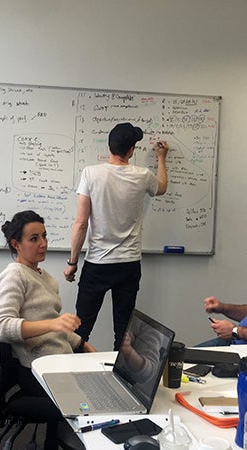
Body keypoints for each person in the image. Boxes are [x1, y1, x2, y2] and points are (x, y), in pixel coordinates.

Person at [64, 122, 169, 350]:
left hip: (97, 264)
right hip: (128, 265)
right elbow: (161, 188)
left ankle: (72, 378)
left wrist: (72, 263)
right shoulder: (142, 175)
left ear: (110, 146)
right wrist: (161, 158)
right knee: (123, 331)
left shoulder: (90, 173)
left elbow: (81, 223)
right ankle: (119, 381)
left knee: (81, 329)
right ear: (131, 150)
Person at [0, 210, 95, 399]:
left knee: (107, 380)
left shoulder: (43, 276)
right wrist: (53, 324)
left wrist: (83, 344)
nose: (43, 243)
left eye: (44, 236)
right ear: (16, 244)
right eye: (34, 239)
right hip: (40, 371)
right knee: (98, 394)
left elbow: (52, 324)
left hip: (59, 362)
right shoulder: (14, 275)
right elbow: (2, 327)